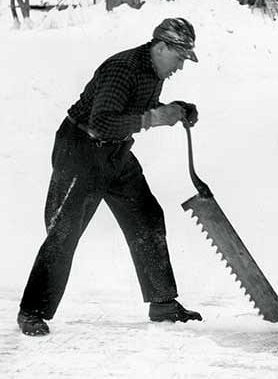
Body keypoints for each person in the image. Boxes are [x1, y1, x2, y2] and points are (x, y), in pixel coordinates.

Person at [17, 18, 203, 336]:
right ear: (161, 47)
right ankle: (31, 311)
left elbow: (133, 110)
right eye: (179, 58)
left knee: (147, 215)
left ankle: (162, 302)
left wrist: (175, 108)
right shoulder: (123, 68)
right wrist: (155, 118)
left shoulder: (152, 71)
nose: (180, 67)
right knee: (64, 231)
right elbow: (101, 122)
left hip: (114, 153)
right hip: (80, 150)